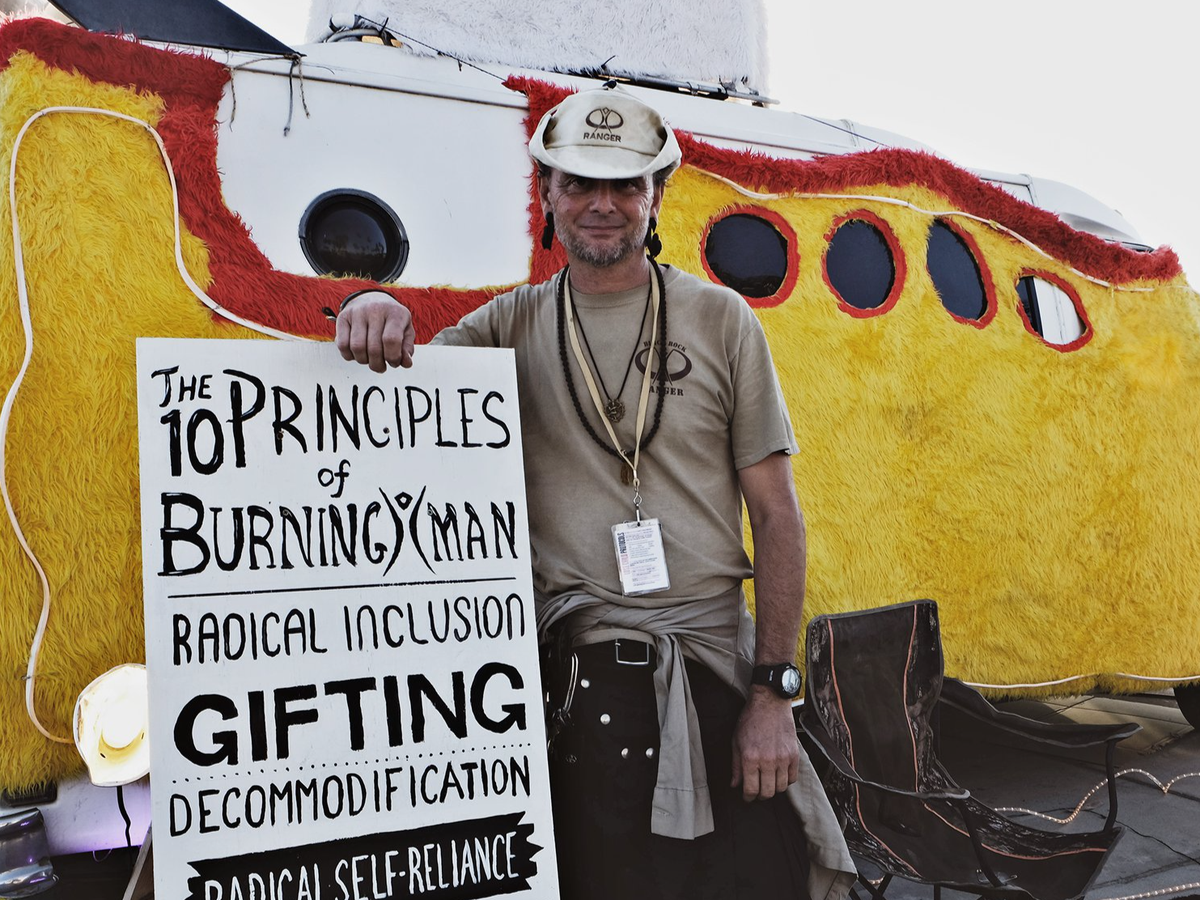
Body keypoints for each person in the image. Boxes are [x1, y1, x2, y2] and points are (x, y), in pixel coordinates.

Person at [335, 84, 852, 900]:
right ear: (547, 194)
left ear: (657, 196)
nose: (602, 205)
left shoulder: (723, 321)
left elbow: (776, 516)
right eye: (579, 183)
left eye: (625, 184)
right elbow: (398, 379)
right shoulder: (507, 327)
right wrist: (368, 301)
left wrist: (773, 696)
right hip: (578, 693)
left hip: (717, 677)